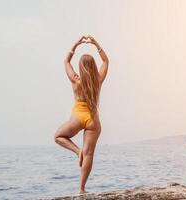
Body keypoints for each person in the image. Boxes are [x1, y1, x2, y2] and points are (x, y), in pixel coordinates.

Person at [54, 35, 109, 194]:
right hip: (93, 121)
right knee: (89, 154)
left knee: (58, 136)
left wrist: (76, 45)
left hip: (77, 118)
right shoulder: (97, 80)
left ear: (81, 67)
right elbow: (106, 61)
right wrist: (96, 44)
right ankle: (82, 188)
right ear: (93, 67)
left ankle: (77, 151)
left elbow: (66, 62)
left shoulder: (75, 80)